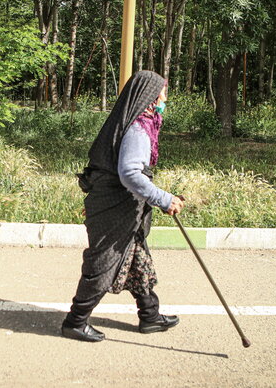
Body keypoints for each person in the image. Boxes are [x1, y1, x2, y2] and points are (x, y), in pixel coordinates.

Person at [61, 70, 185, 342]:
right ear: (150, 96)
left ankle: (150, 315)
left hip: (122, 206)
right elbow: (130, 173)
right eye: (162, 92)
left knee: (137, 256)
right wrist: (164, 198)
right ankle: (75, 321)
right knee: (105, 260)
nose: (165, 97)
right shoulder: (137, 128)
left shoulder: (135, 122)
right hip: (115, 206)